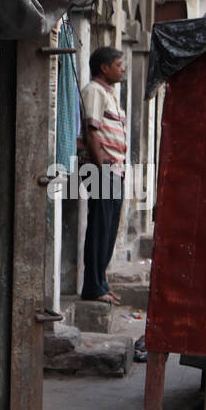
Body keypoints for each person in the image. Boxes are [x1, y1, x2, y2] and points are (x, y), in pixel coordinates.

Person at [79, 46, 128, 305]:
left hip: (113, 171)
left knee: (108, 229)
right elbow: (92, 133)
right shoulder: (94, 91)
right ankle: (93, 287)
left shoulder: (110, 94)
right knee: (100, 228)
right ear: (104, 67)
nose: (123, 69)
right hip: (102, 170)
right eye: (118, 64)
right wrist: (101, 170)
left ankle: (101, 282)